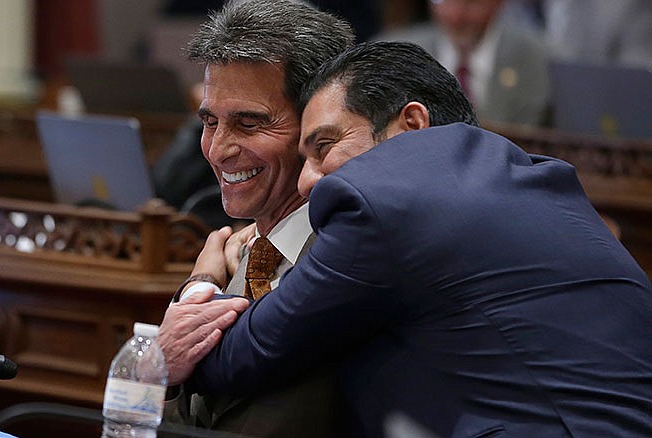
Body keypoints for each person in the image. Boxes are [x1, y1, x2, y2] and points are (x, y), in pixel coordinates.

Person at [169, 41, 652, 437]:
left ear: (412, 124)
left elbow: (244, 354)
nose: (307, 180)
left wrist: (199, 284)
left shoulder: (387, 203)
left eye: (325, 146)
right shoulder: (528, 172)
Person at [156, 0, 355, 436]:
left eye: (249, 124)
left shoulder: (355, 258)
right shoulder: (239, 255)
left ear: (317, 126)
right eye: (210, 122)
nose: (218, 149)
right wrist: (161, 368)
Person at [373, 0, 551, 127]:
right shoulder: (392, 52)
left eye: (471, 3)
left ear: (499, 3)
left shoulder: (537, 59)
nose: (455, 15)